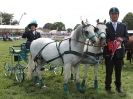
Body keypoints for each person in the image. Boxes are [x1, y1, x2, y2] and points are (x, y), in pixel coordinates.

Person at [103, 7, 129, 93]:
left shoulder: (123, 25)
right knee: (109, 71)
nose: (114, 15)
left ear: (118, 15)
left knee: (118, 71)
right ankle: (108, 86)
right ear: (110, 15)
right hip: (108, 52)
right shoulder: (106, 25)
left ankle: (118, 86)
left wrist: (122, 39)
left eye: (116, 14)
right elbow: (103, 37)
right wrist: (108, 42)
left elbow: (127, 38)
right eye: (112, 14)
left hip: (119, 53)